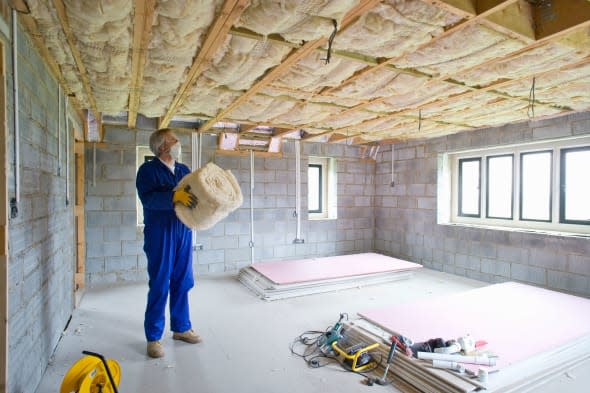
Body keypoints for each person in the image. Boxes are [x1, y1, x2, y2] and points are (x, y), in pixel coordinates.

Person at [136, 129, 201, 358]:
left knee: (183, 280)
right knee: (160, 282)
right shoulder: (147, 171)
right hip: (160, 233)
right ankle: (153, 337)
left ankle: (181, 328)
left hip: (183, 229)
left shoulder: (183, 170)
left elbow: (196, 195)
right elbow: (148, 199)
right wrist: (174, 196)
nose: (178, 142)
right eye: (174, 139)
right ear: (163, 146)